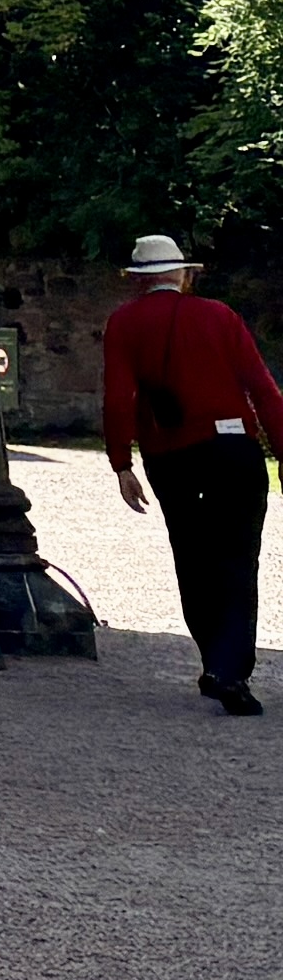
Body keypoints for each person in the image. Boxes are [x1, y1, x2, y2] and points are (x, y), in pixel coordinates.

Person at [104, 232, 283, 716]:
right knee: (238, 559)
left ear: (139, 280)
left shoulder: (124, 323)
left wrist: (121, 462)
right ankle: (230, 670)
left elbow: (119, 397)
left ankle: (214, 661)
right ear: (184, 274)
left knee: (192, 555)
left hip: (170, 454)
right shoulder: (221, 316)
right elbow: (262, 388)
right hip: (233, 449)